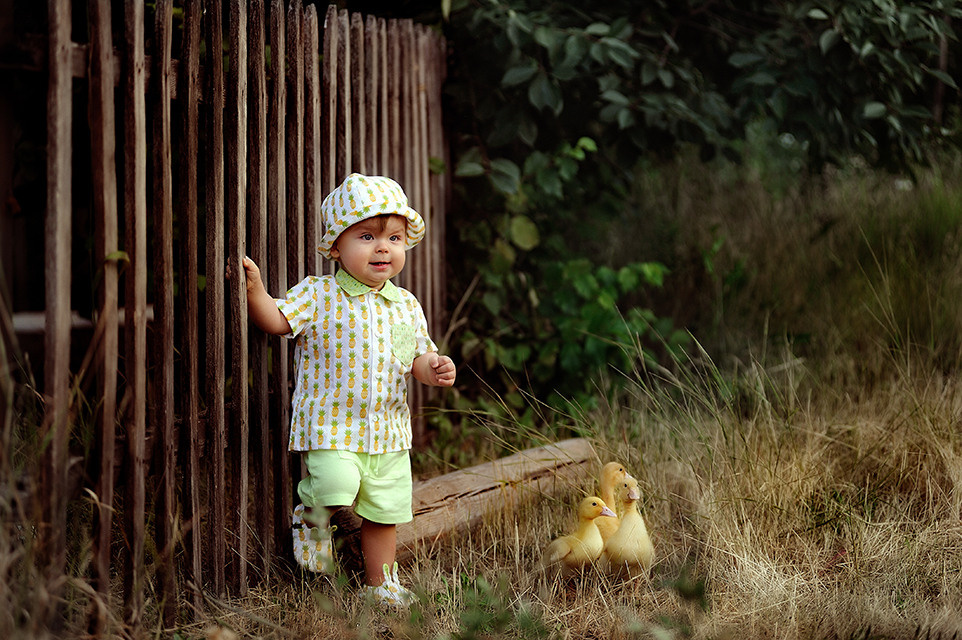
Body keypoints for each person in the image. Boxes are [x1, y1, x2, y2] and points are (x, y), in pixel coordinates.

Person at [237, 173, 456, 607]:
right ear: (336, 246)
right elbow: (278, 321)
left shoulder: (406, 304)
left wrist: (433, 368)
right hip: (330, 425)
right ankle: (311, 516)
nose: (383, 248)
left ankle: (382, 584)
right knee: (336, 485)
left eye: (394, 238)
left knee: (385, 512)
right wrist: (256, 292)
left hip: (388, 433)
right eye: (367, 235)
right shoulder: (319, 295)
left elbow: (415, 358)